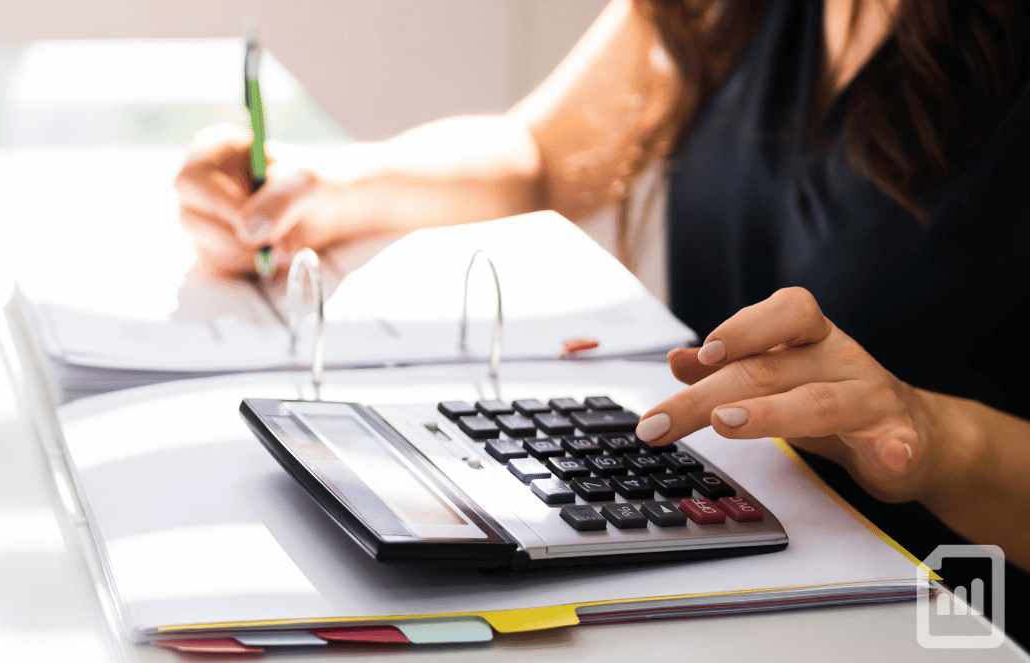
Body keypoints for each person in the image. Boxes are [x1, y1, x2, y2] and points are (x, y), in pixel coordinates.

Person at [175, 0, 1030, 643]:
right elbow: (547, 154)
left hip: (949, 617)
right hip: (720, 574)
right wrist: (335, 189)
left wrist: (936, 439)